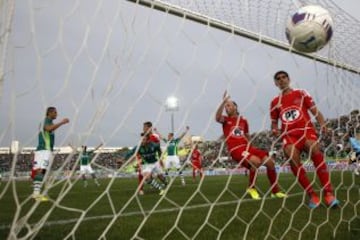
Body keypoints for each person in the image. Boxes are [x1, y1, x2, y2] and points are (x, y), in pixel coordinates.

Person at [270, 70, 339, 208]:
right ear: (276, 83)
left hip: (306, 131)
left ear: (289, 79)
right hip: (289, 135)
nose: (282, 80)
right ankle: (312, 195)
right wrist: (275, 129)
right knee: (292, 157)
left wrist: (322, 124)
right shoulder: (274, 102)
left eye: (284, 77)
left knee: (314, 149)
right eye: (278, 79)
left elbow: (315, 111)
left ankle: (329, 193)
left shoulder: (301, 93)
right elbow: (274, 123)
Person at [216, 91, 286, 200]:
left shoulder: (243, 121)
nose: (226, 107)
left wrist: (250, 147)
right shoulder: (226, 120)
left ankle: (275, 191)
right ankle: (251, 188)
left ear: (235, 107)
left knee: (270, 163)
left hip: (247, 148)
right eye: (226, 106)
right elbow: (217, 117)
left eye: (229, 105)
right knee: (256, 162)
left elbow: (247, 135)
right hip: (236, 149)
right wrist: (223, 102)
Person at [32, 107, 69, 201]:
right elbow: (48, 128)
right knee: (41, 170)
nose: (57, 114)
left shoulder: (49, 122)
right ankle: (36, 194)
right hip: (44, 150)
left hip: (45, 150)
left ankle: (36, 193)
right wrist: (62, 122)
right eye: (55, 112)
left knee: (41, 170)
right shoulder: (46, 120)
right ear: (49, 113)